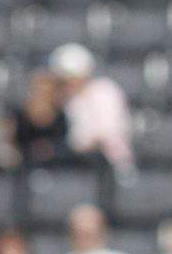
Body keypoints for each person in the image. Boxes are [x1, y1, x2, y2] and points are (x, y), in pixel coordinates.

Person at [52, 43, 135, 172]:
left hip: (108, 163)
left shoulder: (104, 90)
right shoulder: (68, 100)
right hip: (76, 162)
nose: (68, 83)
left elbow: (107, 132)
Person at [3, 70, 71, 169]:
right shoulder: (19, 114)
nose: (43, 95)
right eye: (39, 90)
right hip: (23, 165)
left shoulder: (61, 116)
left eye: (47, 91)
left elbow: (63, 143)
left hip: (54, 166)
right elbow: (10, 141)